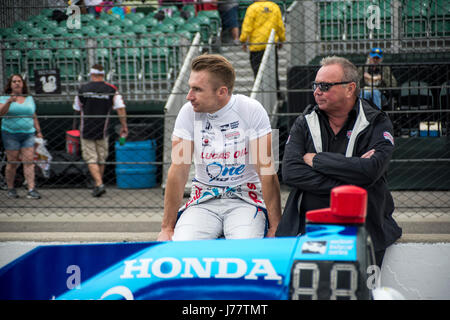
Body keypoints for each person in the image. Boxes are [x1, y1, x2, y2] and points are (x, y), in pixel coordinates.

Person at [276, 56, 402, 268]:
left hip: (364, 228)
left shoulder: (376, 121)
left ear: (350, 88)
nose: (317, 91)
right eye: (315, 85)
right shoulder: (304, 122)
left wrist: (317, 160)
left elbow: (371, 170)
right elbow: (290, 172)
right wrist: (351, 184)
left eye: (325, 86)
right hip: (308, 229)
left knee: (360, 291)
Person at [157, 54, 281, 241]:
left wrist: (276, 227)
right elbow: (179, 171)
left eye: (197, 89)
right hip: (203, 200)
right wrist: (167, 228)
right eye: (190, 88)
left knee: (245, 249)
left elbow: (266, 172)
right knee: (181, 248)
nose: (189, 96)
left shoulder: (251, 110)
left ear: (222, 92)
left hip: (245, 200)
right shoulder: (187, 112)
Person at [73, 64, 128, 197]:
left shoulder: (82, 89)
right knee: (101, 158)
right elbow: (120, 108)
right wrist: (124, 126)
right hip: (103, 130)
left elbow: (77, 109)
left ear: (91, 74)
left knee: (91, 158)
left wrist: (74, 128)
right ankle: (99, 183)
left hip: (86, 129)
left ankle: (98, 184)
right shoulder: (111, 89)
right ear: (103, 74)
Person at [0, 74, 43, 199]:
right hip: (10, 133)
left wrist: (38, 131)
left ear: (23, 84)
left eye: (19, 81)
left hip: (28, 132)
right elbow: (1, 113)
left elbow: (33, 115)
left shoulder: (29, 98)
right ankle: (11, 188)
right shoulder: (4, 98)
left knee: (29, 161)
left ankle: (31, 189)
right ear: (10, 84)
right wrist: (9, 101)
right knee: (12, 162)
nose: (17, 83)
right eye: (14, 81)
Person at [239, 0, 285, 96]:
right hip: (270, 45)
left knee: (258, 73)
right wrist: (282, 39)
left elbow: (247, 26)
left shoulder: (252, 8)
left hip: (257, 45)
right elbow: (280, 26)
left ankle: (261, 93)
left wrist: (243, 40)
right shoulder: (274, 7)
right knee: (273, 72)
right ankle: (277, 94)